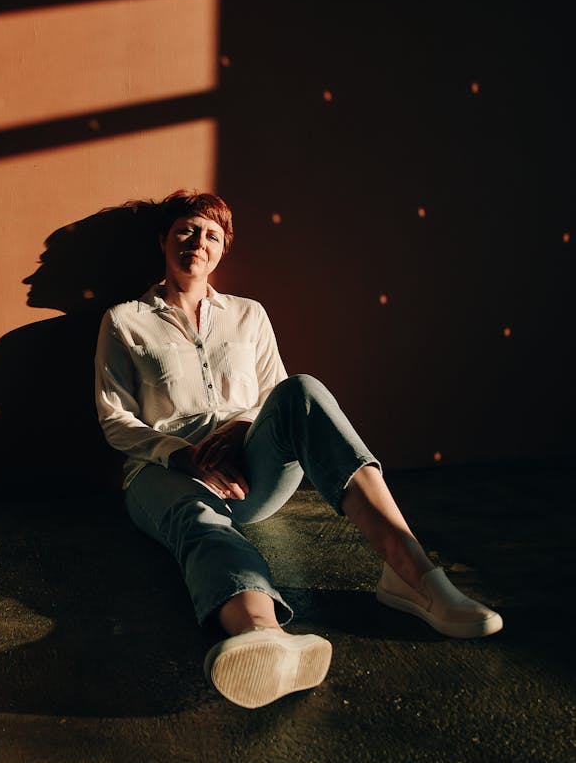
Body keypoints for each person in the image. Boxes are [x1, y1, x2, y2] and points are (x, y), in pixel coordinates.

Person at [95, 190, 503, 709]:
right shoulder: (125, 320)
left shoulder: (248, 315)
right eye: (187, 230)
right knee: (200, 520)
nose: (199, 242)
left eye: (212, 236)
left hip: (249, 468)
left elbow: (273, 392)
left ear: (222, 252)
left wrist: (243, 428)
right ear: (164, 240)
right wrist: (182, 454)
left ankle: (410, 572)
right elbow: (115, 419)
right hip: (162, 471)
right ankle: (261, 634)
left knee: (304, 391)